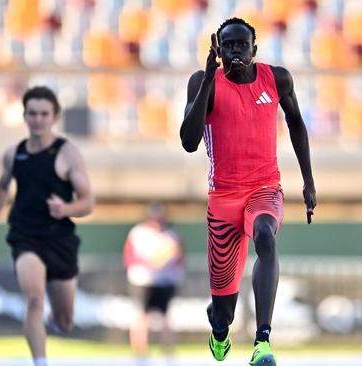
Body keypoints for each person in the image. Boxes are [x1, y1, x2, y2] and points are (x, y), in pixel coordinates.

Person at [180, 17, 316, 365]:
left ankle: (263, 341)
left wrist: (308, 182)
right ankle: (221, 331)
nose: (235, 51)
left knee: (266, 237)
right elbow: (189, 142)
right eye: (228, 45)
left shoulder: (277, 79)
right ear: (218, 49)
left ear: (254, 50)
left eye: (242, 45)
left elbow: (297, 123)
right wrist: (210, 77)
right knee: (223, 311)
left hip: (264, 188)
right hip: (223, 199)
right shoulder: (202, 81)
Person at [0, 86, 94, 366]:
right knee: (33, 300)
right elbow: (2, 189)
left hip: (59, 240)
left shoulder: (68, 153)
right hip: (25, 236)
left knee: (65, 321)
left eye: (44, 114)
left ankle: (57, 317)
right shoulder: (13, 154)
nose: (38, 119)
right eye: (32, 114)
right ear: (25, 116)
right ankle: (40, 362)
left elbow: (88, 202)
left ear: (54, 117)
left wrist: (66, 209)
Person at [123, 202, 184, 357]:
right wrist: (150, 264)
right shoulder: (137, 233)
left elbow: (178, 255)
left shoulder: (171, 235)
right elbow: (130, 257)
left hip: (165, 281)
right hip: (142, 281)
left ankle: (168, 350)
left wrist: (166, 264)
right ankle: (140, 350)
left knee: (165, 316)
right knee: (141, 315)